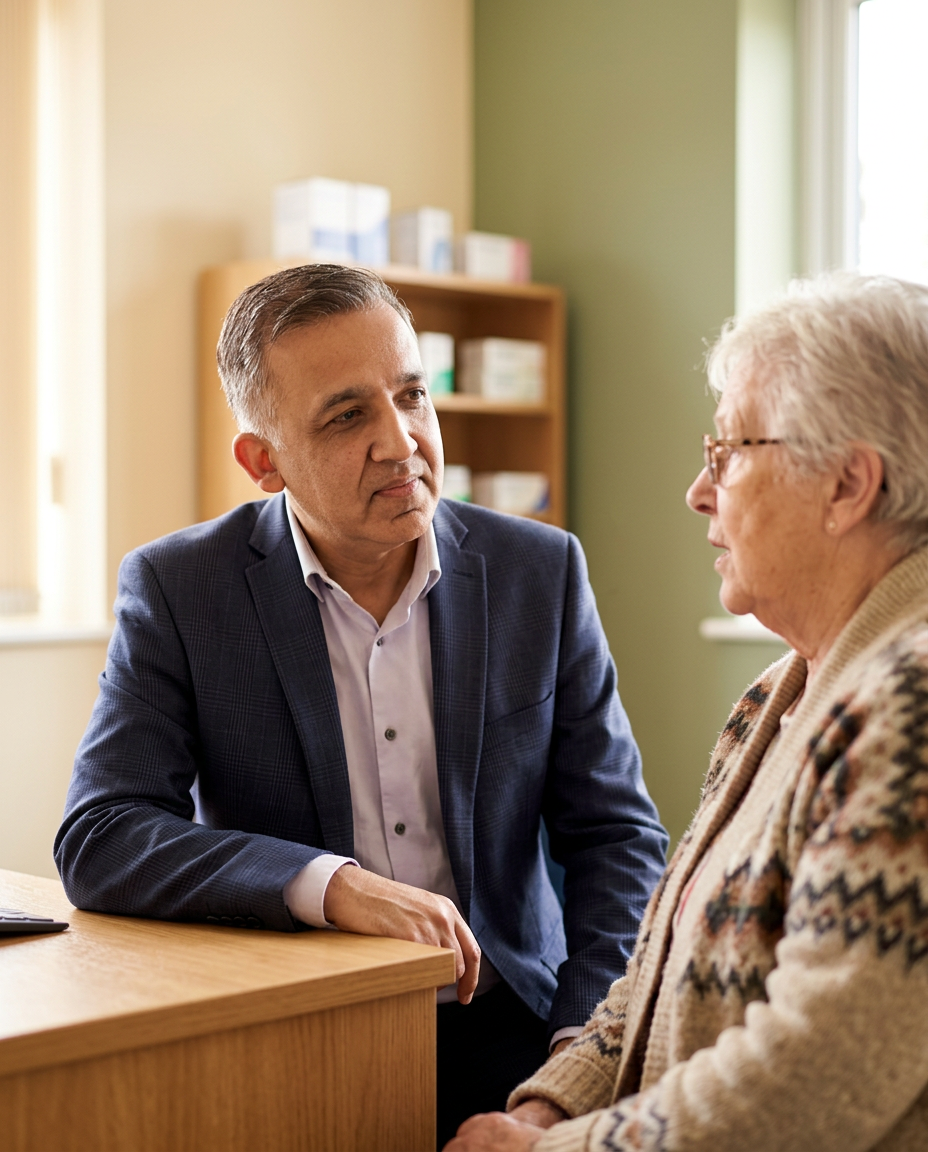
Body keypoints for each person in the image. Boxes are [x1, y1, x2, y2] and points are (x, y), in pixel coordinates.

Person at [55, 263, 668, 1145]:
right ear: (262, 462)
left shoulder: (541, 573)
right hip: (296, 1028)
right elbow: (101, 832)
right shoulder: (183, 588)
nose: (402, 441)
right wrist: (329, 887)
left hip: (521, 1028)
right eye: (348, 416)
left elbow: (615, 837)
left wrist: (582, 1059)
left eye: (412, 396)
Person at [448, 272, 928, 1152]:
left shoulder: (913, 705)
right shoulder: (774, 697)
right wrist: (550, 1103)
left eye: (729, 455)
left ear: (849, 485)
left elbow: (820, 1074)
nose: (698, 493)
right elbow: (658, 961)